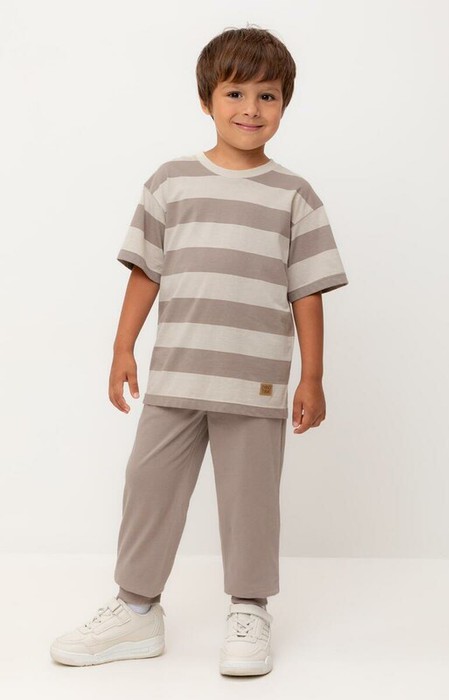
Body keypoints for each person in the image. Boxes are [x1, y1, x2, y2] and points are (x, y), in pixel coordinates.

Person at [49, 24, 349, 676]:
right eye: (235, 93)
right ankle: (136, 609)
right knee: (148, 486)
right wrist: (122, 348)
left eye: (267, 95)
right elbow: (146, 272)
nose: (250, 109)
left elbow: (308, 292)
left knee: (251, 499)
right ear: (207, 98)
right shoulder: (171, 182)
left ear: (284, 103)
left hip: (255, 381)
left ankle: (250, 609)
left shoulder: (295, 196)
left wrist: (313, 377)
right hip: (177, 374)